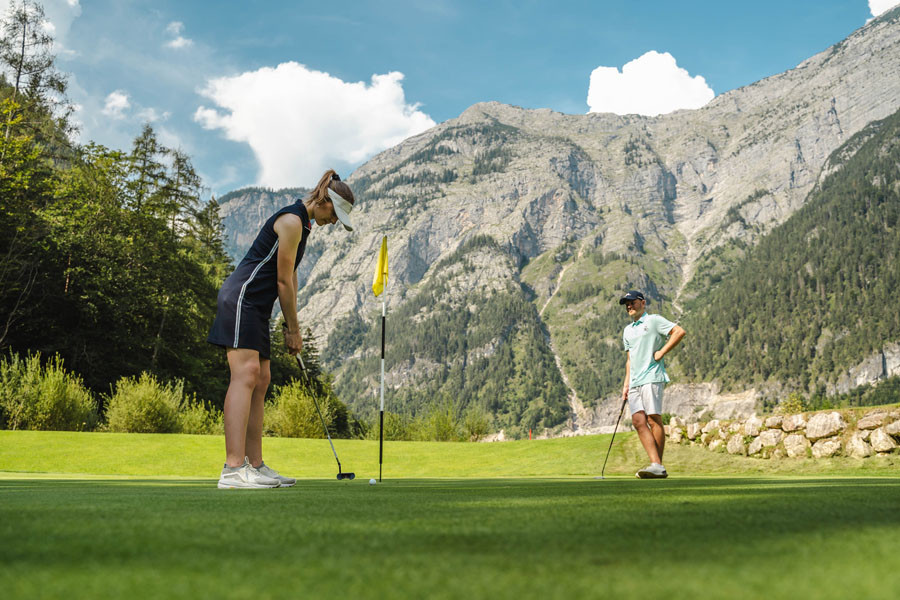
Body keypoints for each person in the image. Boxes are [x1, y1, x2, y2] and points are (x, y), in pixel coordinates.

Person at [207, 169, 355, 489]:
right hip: (242, 299)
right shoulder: (290, 221)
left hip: (257, 308)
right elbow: (282, 281)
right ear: (325, 201)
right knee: (246, 376)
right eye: (335, 214)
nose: (333, 222)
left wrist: (292, 324)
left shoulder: (302, 225)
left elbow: (292, 276)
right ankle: (233, 469)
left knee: (262, 380)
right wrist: (293, 329)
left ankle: (255, 466)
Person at [619, 290, 686, 479]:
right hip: (634, 382)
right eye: (627, 304)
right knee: (638, 421)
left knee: (653, 419)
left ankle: (657, 465)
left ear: (642, 303)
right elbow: (629, 359)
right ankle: (656, 464)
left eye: (632, 302)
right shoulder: (627, 330)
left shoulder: (654, 320)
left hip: (652, 376)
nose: (629, 306)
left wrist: (662, 352)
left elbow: (679, 332)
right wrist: (626, 385)